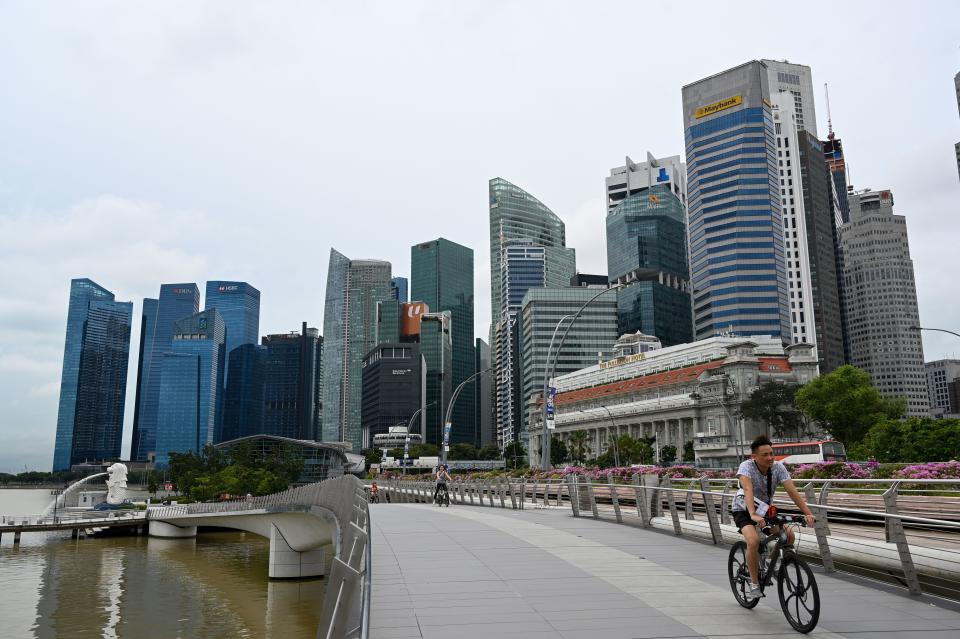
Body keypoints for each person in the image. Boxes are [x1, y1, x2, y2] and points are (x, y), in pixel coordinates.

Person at [731, 435, 816, 601]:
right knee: (753, 541)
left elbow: (791, 491)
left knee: (788, 536)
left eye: (772, 453)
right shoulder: (746, 466)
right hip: (743, 509)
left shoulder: (778, 467)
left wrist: (807, 512)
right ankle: (754, 584)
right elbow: (748, 489)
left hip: (764, 509)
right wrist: (753, 514)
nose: (770, 458)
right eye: (765, 455)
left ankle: (771, 561)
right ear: (754, 456)